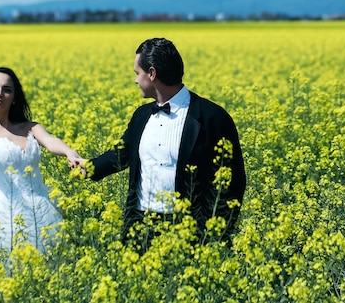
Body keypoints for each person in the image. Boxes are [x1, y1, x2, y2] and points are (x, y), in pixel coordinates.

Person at [88, 38, 246, 249]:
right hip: (141, 227)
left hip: (191, 232)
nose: (136, 80)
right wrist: (87, 168)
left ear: (152, 73)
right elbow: (121, 154)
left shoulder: (212, 118)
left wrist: (217, 233)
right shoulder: (142, 115)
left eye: (138, 73)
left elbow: (234, 181)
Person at [0, 66, 82, 257]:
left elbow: (51, 141)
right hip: (1, 215)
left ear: (14, 98)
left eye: (7, 90)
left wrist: (69, 152)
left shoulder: (31, 128)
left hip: (41, 208)